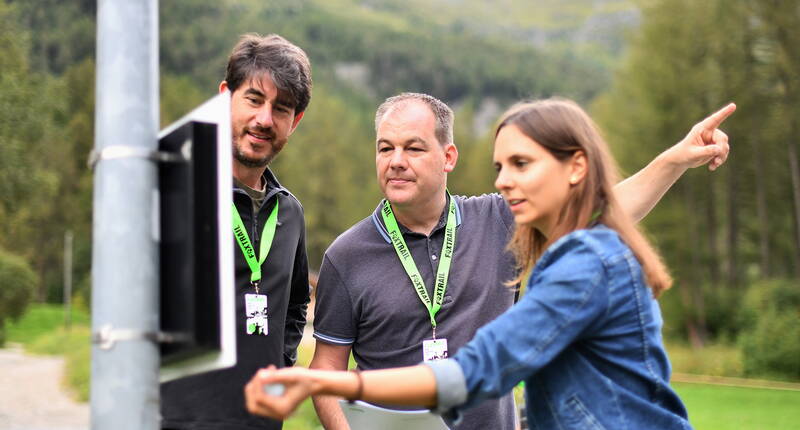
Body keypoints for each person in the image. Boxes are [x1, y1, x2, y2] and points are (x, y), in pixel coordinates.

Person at [244, 97, 736, 429]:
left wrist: (673, 161)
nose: (503, 181)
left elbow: (479, 368)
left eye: (521, 165)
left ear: (448, 156)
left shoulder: (561, 254)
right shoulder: (347, 255)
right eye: (385, 148)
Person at [160, 33, 312, 430]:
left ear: (294, 122)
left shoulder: (290, 213)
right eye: (254, 99)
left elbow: (296, 306)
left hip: (258, 423)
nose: (265, 120)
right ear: (226, 96)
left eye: (281, 108)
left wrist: (280, 365)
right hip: (174, 419)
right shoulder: (177, 187)